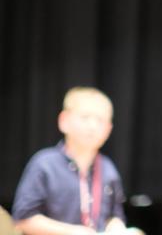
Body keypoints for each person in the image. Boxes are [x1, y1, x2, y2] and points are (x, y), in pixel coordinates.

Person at [11, 87, 139, 234]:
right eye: (85, 117)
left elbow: (114, 216)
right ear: (63, 121)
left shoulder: (109, 169)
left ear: (109, 129)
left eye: (101, 120)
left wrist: (117, 226)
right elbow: (23, 219)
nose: (93, 126)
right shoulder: (44, 164)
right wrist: (72, 232)